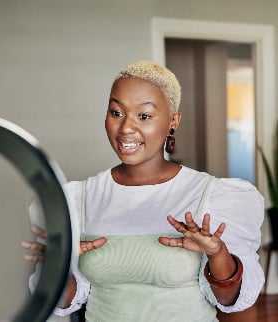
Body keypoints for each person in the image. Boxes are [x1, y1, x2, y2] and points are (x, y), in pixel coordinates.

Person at [22, 61, 265, 321]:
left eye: (144, 116)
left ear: (174, 120)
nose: (126, 127)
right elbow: (68, 301)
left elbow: (231, 301)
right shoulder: (78, 199)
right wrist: (55, 266)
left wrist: (218, 254)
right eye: (116, 112)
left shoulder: (211, 196)